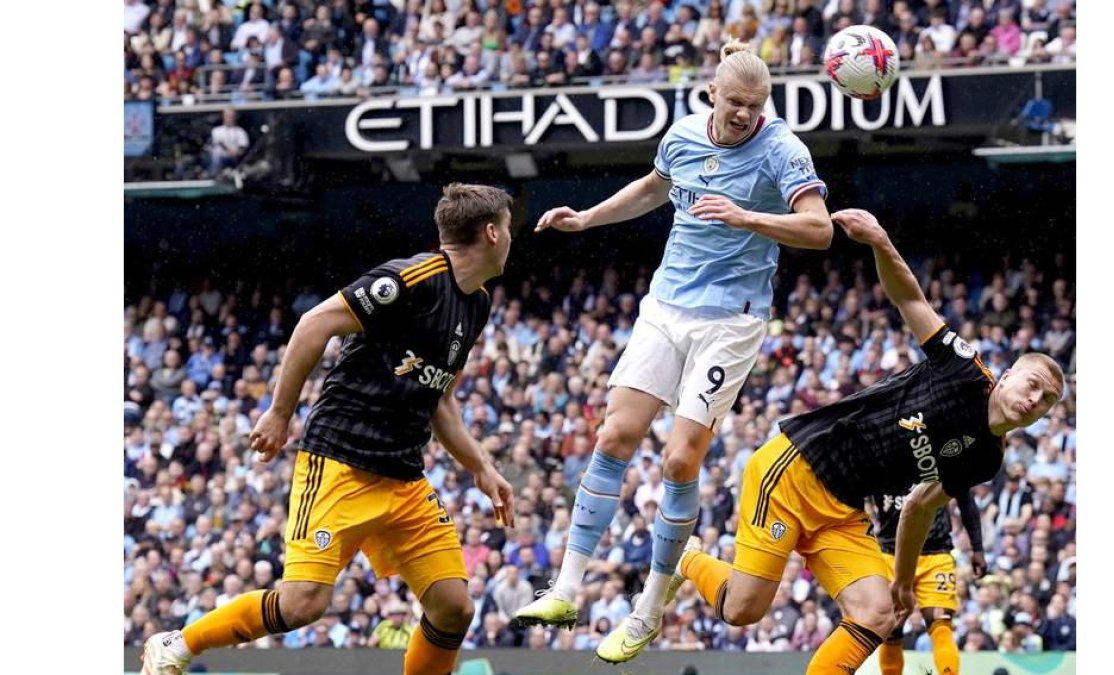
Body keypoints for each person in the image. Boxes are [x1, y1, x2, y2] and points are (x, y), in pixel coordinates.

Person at [513, 38, 833, 664]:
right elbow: (653, 187)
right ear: (711, 93)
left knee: (681, 461)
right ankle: (568, 588)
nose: (743, 115)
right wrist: (587, 219)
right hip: (665, 306)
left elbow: (820, 230)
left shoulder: (782, 151)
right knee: (614, 437)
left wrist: (749, 218)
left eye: (755, 105)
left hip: (731, 321)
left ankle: (648, 609)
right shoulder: (684, 135)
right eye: (734, 103)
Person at [140, 184, 518, 675]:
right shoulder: (412, 278)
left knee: (454, 607)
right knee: (302, 605)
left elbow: (440, 399)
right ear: (491, 233)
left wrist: (481, 468)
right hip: (341, 463)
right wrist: (280, 412)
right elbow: (313, 324)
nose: (512, 237)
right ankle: (177, 644)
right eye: (509, 227)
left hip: (403, 478)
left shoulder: (477, 304)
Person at [671, 208, 1064, 674]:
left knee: (878, 612)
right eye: (1032, 384)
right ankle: (689, 557)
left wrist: (901, 582)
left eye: (1047, 400)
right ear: (1007, 376)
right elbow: (911, 301)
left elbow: (920, 507)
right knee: (743, 610)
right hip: (799, 466)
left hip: (844, 508)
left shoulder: (985, 459)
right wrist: (880, 241)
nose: (1034, 399)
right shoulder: (963, 371)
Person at [870, 494, 987, 675]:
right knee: (891, 626)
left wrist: (977, 547)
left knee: (940, 622)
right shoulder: (876, 465)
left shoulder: (943, 464)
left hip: (935, 552)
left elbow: (966, 498)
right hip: (890, 552)